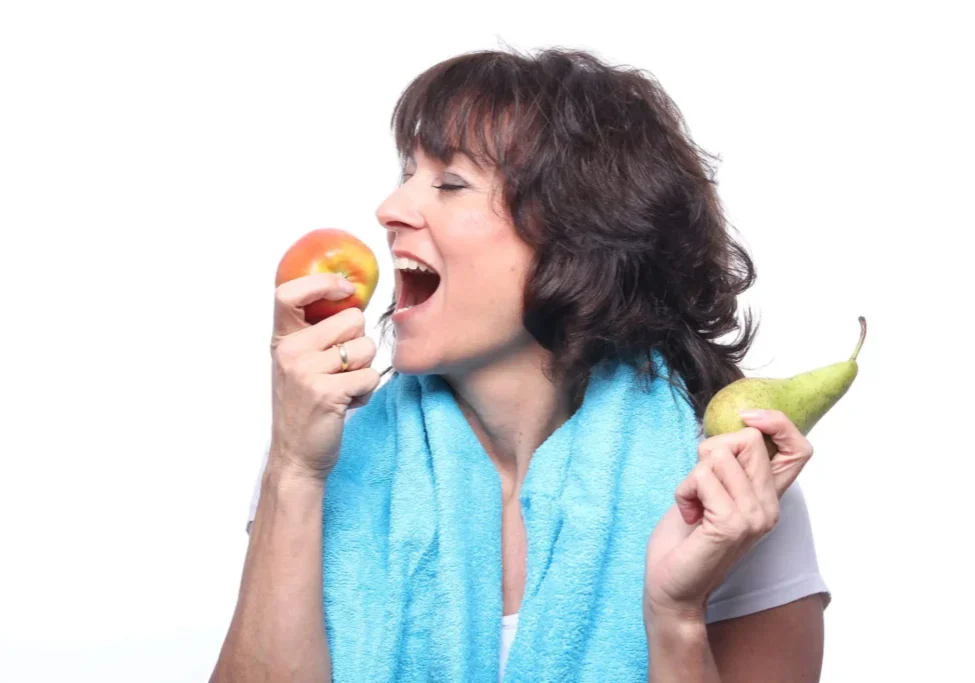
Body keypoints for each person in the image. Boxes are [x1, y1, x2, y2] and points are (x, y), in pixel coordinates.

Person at [211, 48, 829, 682]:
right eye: (405, 174)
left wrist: (675, 616)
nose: (389, 208)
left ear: (578, 239)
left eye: (450, 183)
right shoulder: (322, 457)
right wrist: (292, 468)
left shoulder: (726, 492)